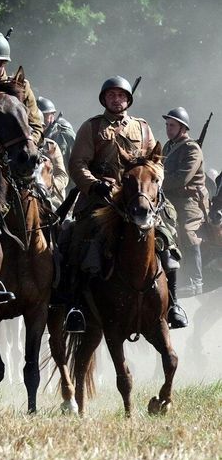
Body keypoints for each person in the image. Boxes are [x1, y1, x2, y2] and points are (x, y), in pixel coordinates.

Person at [65, 77, 186, 330]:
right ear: (104, 99)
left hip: (138, 200)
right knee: (77, 242)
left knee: (166, 242)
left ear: (128, 99)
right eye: (111, 95)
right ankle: (75, 308)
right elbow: (77, 164)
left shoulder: (142, 127)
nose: (116, 99)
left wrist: (151, 185)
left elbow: (157, 163)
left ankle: (174, 305)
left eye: (121, 95)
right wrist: (94, 183)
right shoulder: (92, 127)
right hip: (102, 200)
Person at [162, 107, 209, 297]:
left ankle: (195, 281)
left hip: (189, 201)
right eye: (167, 125)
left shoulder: (191, 148)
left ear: (183, 127)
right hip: (168, 199)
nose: (168, 129)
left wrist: (157, 182)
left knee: (187, 232)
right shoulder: (167, 146)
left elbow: (181, 178)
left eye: (172, 125)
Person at [0, 32, 44, 145]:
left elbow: (36, 127)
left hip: (16, 153)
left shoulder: (20, 87)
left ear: (3, 62)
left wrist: (27, 145)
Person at [39, 96, 76, 164]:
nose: (39, 118)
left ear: (52, 115)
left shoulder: (65, 134)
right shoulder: (30, 135)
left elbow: (77, 158)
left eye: (43, 115)